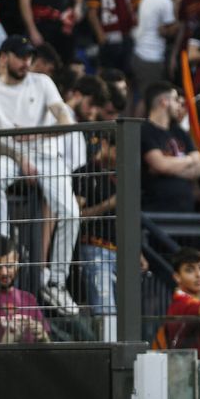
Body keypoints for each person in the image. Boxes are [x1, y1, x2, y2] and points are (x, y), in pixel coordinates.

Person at [0, 34, 80, 313]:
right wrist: (18, 154)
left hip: (48, 156)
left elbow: (65, 118)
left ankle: (57, 282)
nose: (26, 62)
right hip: (11, 155)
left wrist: (38, 133)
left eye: (29, 57)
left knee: (71, 212)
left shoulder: (43, 82)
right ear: (2, 58)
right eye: (20, 56)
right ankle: (1, 254)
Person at [140, 81, 200, 213]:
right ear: (164, 102)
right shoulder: (145, 130)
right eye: (175, 100)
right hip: (158, 210)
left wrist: (169, 169)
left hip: (186, 210)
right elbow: (161, 165)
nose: (179, 105)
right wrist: (188, 160)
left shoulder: (179, 131)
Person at [73, 135, 119, 316]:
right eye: (119, 149)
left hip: (122, 252)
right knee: (105, 311)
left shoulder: (121, 175)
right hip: (95, 248)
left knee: (128, 314)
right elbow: (75, 215)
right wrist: (108, 204)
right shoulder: (85, 172)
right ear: (106, 143)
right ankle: (107, 344)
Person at [0, 235, 50, 344]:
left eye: (9, 266)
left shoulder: (29, 299)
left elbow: (49, 345)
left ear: (17, 260)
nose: (4, 272)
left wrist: (43, 335)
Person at [132, 0, 184, 103]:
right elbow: (168, 31)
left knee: (137, 97)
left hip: (139, 51)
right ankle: (137, 125)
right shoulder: (165, 1)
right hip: (151, 57)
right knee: (148, 100)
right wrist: (177, 5)